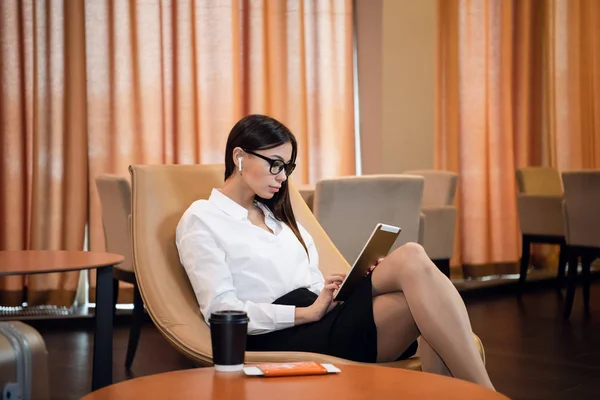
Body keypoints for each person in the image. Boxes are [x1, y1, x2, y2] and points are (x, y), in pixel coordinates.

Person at [176, 114, 494, 390]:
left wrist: (332, 291)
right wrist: (307, 313)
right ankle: (486, 393)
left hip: (320, 317)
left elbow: (307, 280)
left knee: (415, 284)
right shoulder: (202, 219)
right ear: (239, 157)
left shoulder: (277, 216)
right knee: (411, 261)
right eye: (275, 165)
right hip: (279, 336)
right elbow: (222, 312)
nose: (282, 177)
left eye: (287, 167)